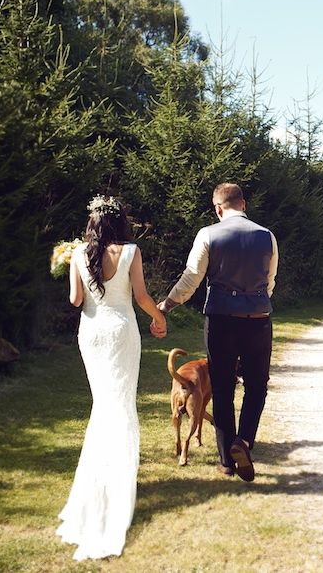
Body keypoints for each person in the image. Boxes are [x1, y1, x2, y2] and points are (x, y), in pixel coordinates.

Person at [57, 195, 167, 561]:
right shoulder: (131, 251)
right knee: (120, 404)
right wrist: (160, 317)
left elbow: (75, 300)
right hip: (121, 332)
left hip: (92, 333)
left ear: (91, 222)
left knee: (103, 405)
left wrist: (73, 270)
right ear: (120, 222)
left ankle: (102, 482)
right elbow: (140, 295)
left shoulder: (77, 253)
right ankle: (119, 480)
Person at [158, 183, 278, 482]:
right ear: (244, 205)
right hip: (258, 319)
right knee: (256, 385)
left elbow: (191, 279)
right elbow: (270, 280)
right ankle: (244, 441)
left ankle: (226, 460)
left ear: (218, 208)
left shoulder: (208, 234)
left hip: (221, 320)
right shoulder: (267, 236)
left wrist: (167, 304)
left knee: (223, 388)